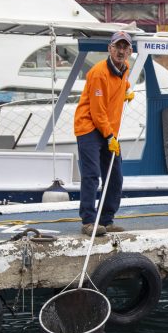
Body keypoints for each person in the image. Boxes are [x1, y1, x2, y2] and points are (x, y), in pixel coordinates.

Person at [74, 31, 135, 235]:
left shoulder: (124, 68)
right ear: (109, 49)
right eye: (117, 46)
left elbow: (121, 82)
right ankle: (89, 222)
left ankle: (106, 220)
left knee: (115, 177)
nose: (121, 51)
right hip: (89, 127)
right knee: (91, 175)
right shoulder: (98, 73)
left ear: (130, 51)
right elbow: (97, 111)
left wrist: (126, 90)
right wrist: (110, 136)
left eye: (125, 47)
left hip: (108, 130)